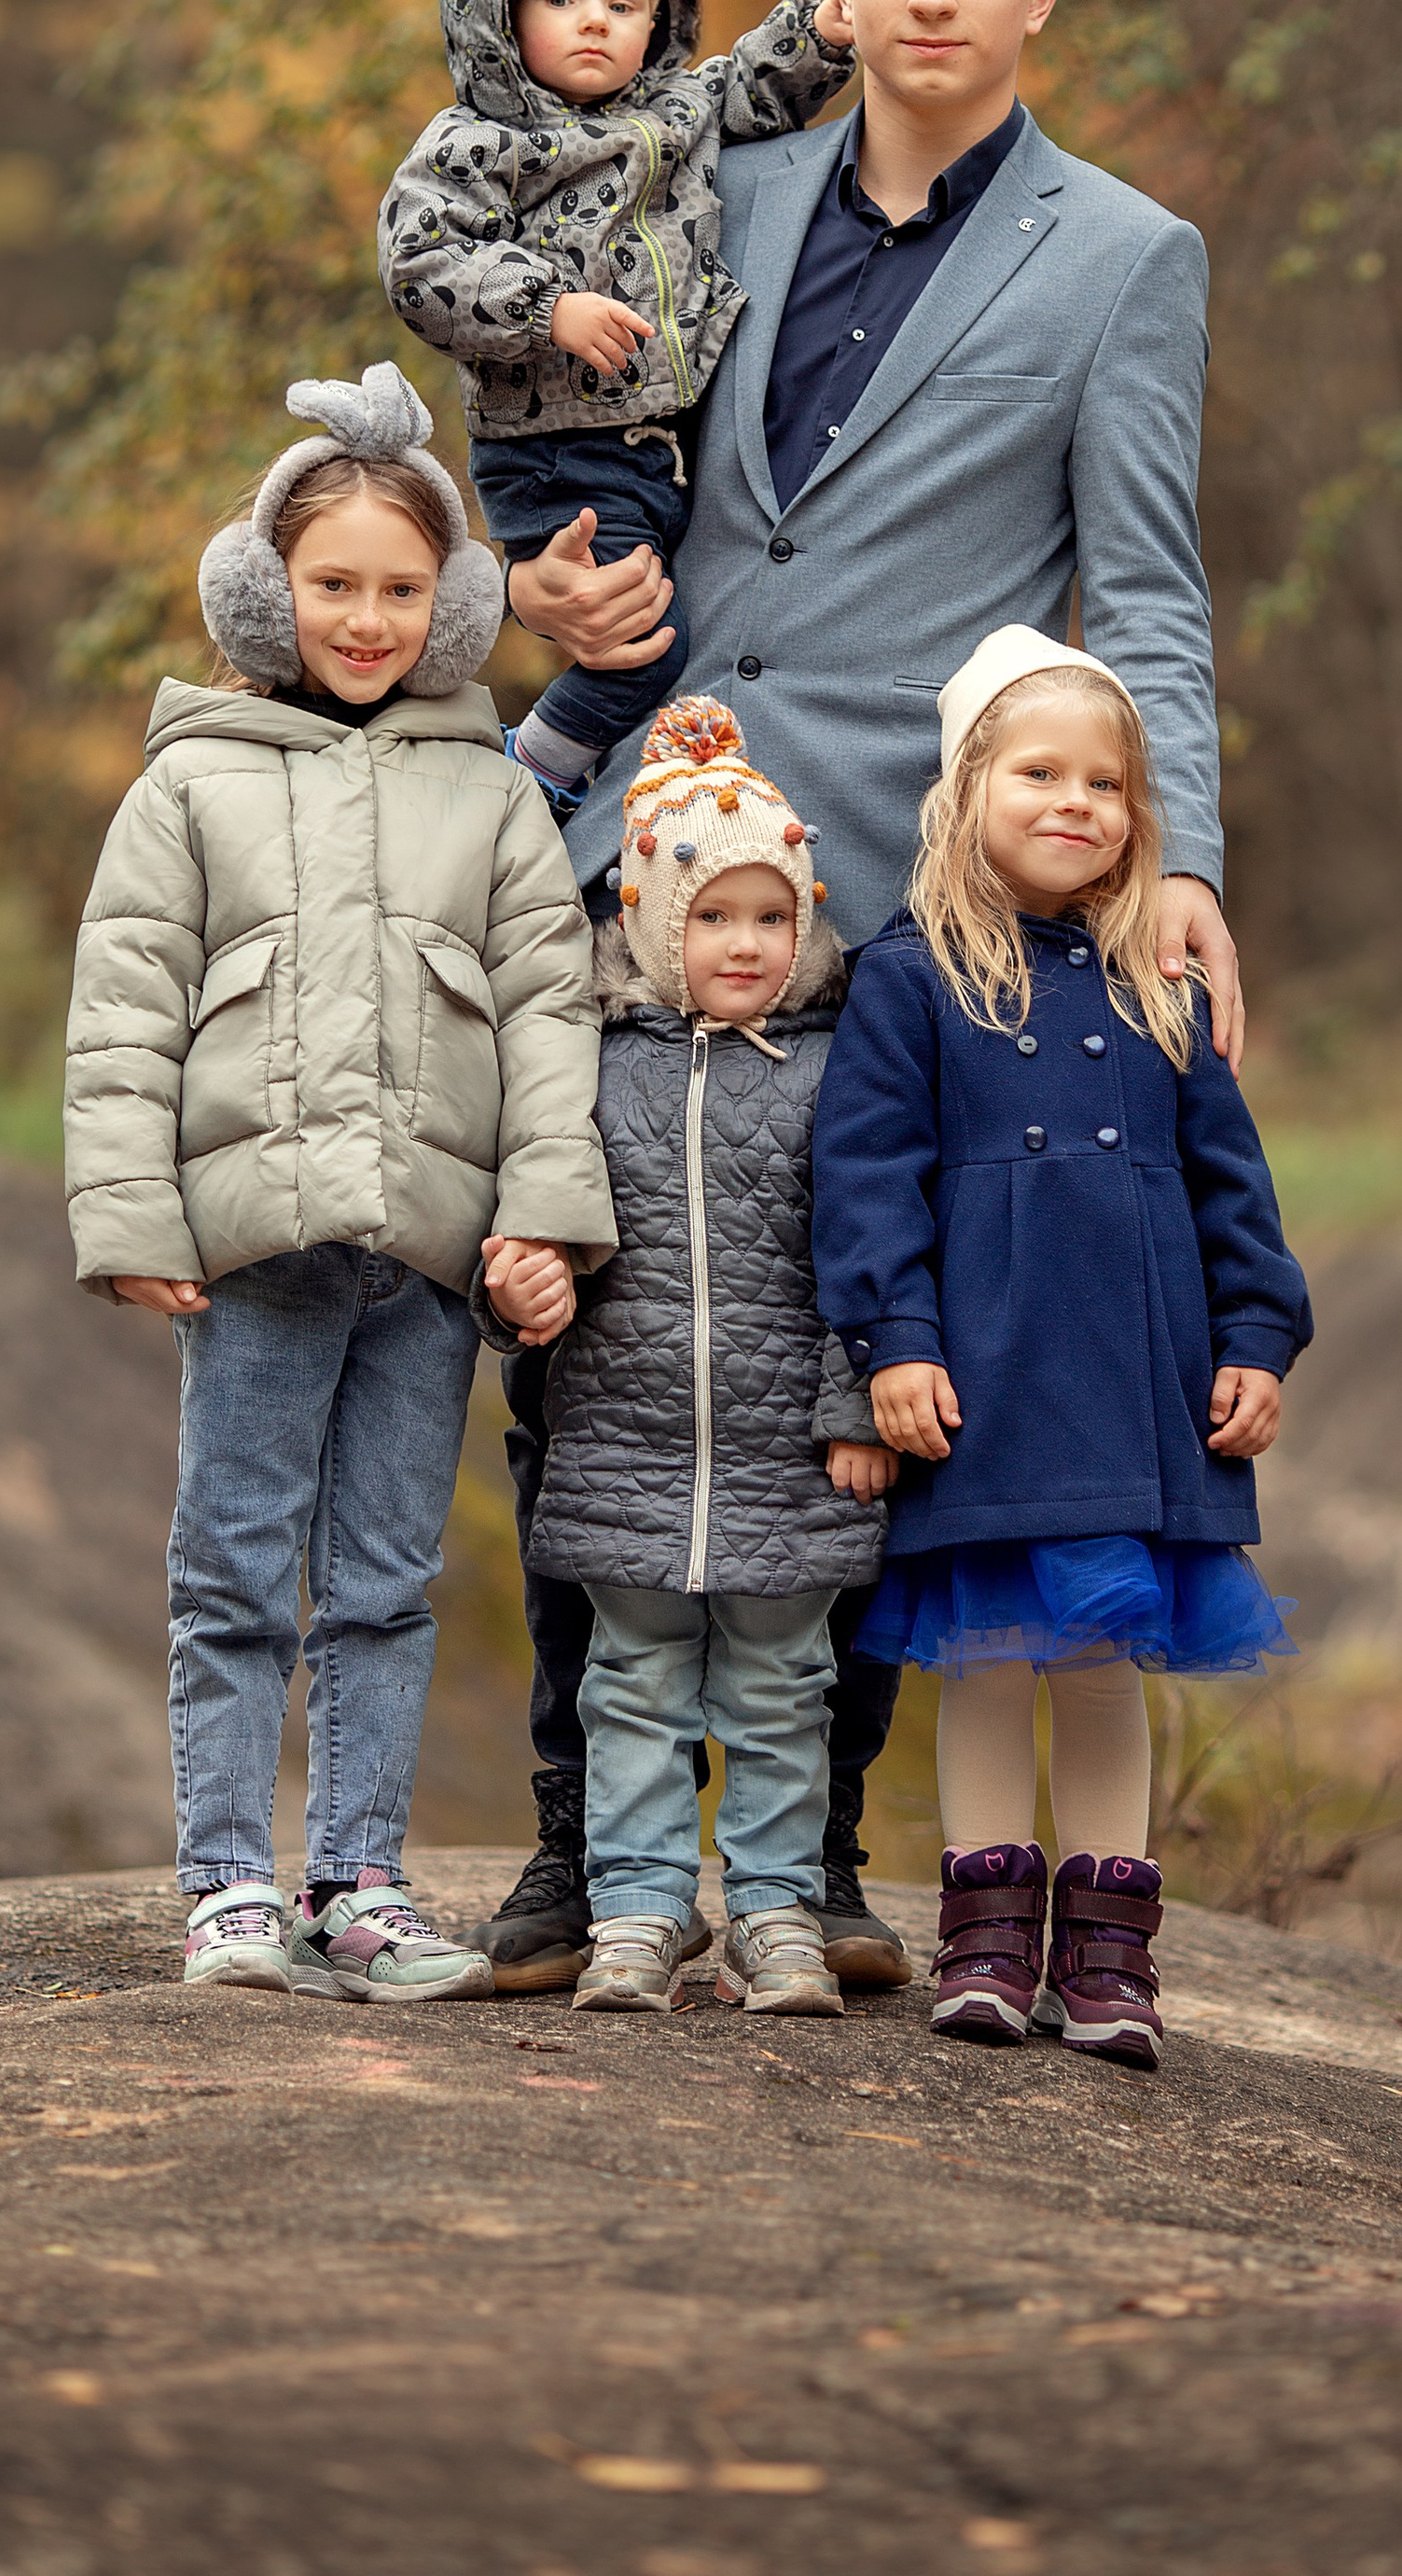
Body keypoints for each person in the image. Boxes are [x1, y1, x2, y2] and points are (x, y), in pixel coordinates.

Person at [479, 0, 1244, 1993]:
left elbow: (1149, 591)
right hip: (631, 837)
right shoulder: (709, 168)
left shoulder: (1119, 258)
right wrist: (532, 553)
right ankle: (572, 1855)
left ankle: (810, 1869)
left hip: (885, 906)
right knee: (591, 1329)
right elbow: (560, 403)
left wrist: (1170, 854)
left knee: (858, 1343)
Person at [62, 364, 615, 2000]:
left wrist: (542, 1216)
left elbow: (549, 1020)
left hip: (426, 1261)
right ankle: (229, 1884)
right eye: (330, 586)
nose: (364, 620)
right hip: (256, 1256)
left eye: (397, 589)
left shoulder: (493, 795)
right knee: (228, 1567)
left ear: (444, 606)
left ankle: (360, 1881)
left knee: (383, 1581)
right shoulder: (189, 785)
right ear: (265, 589)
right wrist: (129, 1214)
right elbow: (124, 1009)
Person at [812, 627, 1312, 2070]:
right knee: (988, 1656)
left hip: (1139, 1384)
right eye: (1040, 771)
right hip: (986, 1380)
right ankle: (983, 1941)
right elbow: (863, 1181)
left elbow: (1236, 1185)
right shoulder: (912, 980)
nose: (1075, 801)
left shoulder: (1161, 983)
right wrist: (893, 1340)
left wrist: (1259, 1337)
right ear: (968, 789)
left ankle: (1108, 1962)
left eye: (1106, 783)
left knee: (1099, 1659)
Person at [492, 694, 894, 2018]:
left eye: (772, 917)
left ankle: (776, 1912)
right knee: (633, 1688)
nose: (745, 943)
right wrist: (523, 1287)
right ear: (650, 915)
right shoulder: (591, 1068)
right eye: (713, 915)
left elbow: (876, 1256)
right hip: (625, 1443)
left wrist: (858, 1402)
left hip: (794, 1453)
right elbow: (532, 1229)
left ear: (807, 918)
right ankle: (641, 1907)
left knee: (785, 1690)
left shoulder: (837, 1072)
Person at [377, 0, 854, 806]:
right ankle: (526, 780)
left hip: (661, 444)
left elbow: (754, 87)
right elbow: (419, 263)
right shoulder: (476, 145)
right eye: (561, 0)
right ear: (500, 19)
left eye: (622, 4)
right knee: (641, 647)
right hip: (558, 453)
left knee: (693, 630)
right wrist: (546, 308)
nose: (595, 20)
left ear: (656, 21)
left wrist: (825, 34)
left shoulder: (673, 112)